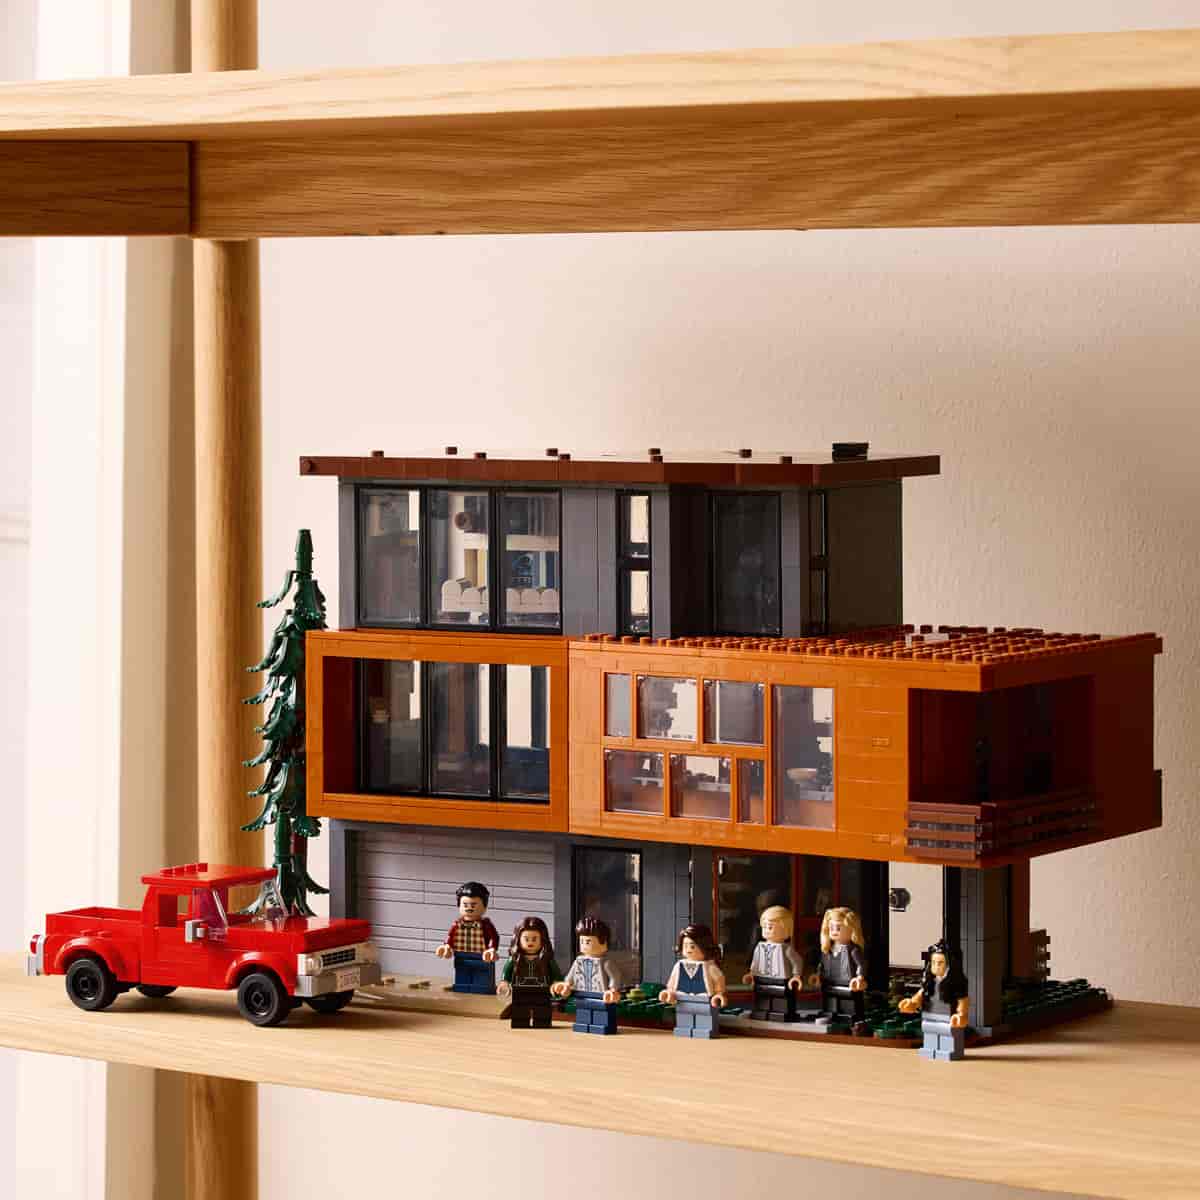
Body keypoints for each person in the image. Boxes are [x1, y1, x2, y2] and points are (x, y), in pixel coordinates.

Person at [899, 938, 971, 1062]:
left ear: (950, 964)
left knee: (948, 1036)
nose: (936, 966)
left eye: (940, 963)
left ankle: (948, 1051)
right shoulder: (929, 983)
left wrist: (961, 1014)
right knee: (930, 1033)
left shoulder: (955, 984)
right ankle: (930, 1049)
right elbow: (920, 996)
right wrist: (912, 1004)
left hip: (948, 1019)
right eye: (933, 962)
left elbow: (963, 1001)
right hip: (929, 1016)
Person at [552, 916, 622, 1035]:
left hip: (601, 995)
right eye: (581, 941)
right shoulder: (578, 961)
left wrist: (613, 990)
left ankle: (602, 1026)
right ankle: (583, 1025)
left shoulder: (606, 963)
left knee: (601, 1013)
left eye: (588, 942)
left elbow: (615, 977)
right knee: (583, 1011)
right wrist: (566, 985)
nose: (584, 945)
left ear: (604, 942)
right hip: (581, 994)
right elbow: (570, 977)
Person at [659, 924, 726, 1039]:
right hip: (683, 999)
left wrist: (719, 994)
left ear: (705, 946)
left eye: (693, 946)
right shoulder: (679, 966)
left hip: (704, 1000)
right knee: (684, 1016)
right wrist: (669, 992)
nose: (688, 950)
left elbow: (719, 979)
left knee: (705, 1017)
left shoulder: (709, 967)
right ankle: (684, 1029)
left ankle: (705, 1030)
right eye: (685, 946)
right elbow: (672, 983)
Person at [742, 905, 805, 1022]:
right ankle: (762, 1011)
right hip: (761, 978)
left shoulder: (786, 949)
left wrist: (796, 976)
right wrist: (751, 974)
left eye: (770, 927)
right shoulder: (759, 947)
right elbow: (755, 962)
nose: (766, 930)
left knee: (781, 998)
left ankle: (782, 1013)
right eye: (764, 927)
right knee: (763, 996)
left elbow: (797, 961)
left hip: (781, 980)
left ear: (785, 929)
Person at [434, 881, 500, 994]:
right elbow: (451, 937)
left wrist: (491, 949)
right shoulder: (457, 925)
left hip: (482, 958)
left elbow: (494, 937)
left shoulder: (486, 925)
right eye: (465, 905)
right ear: (459, 906)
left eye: (473, 905)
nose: (469, 908)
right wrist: (446, 946)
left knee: (482, 984)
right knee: (462, 982)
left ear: (484, 907)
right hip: (461, 957)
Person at [497, 916, 561, 1029]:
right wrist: (504, 982)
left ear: (543, 939)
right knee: (520, 1010)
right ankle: (520, 1021)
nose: (530, 943)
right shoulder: (515, 958)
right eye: (526, 939)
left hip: (542, 989)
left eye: (534, 939)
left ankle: (542, 1022)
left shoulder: (546, 959)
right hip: (520, 989)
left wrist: (556, 983)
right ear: (518, 939)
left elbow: (556, 973)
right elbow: (507, 971)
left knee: (542, 1010)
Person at [815, 906, 868, 1031]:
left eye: (838, 928)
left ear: (852, 929)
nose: (834, 931)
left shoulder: (853, 950)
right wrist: (817, 975)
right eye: (831, 928)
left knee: (848, 999)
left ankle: (849, 1015)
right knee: (829, 997)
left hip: (848, 983)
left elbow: (861, 964)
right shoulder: (827, 949)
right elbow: (822, 964)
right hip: (829, 981)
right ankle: (830, 1012)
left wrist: (860, 977)